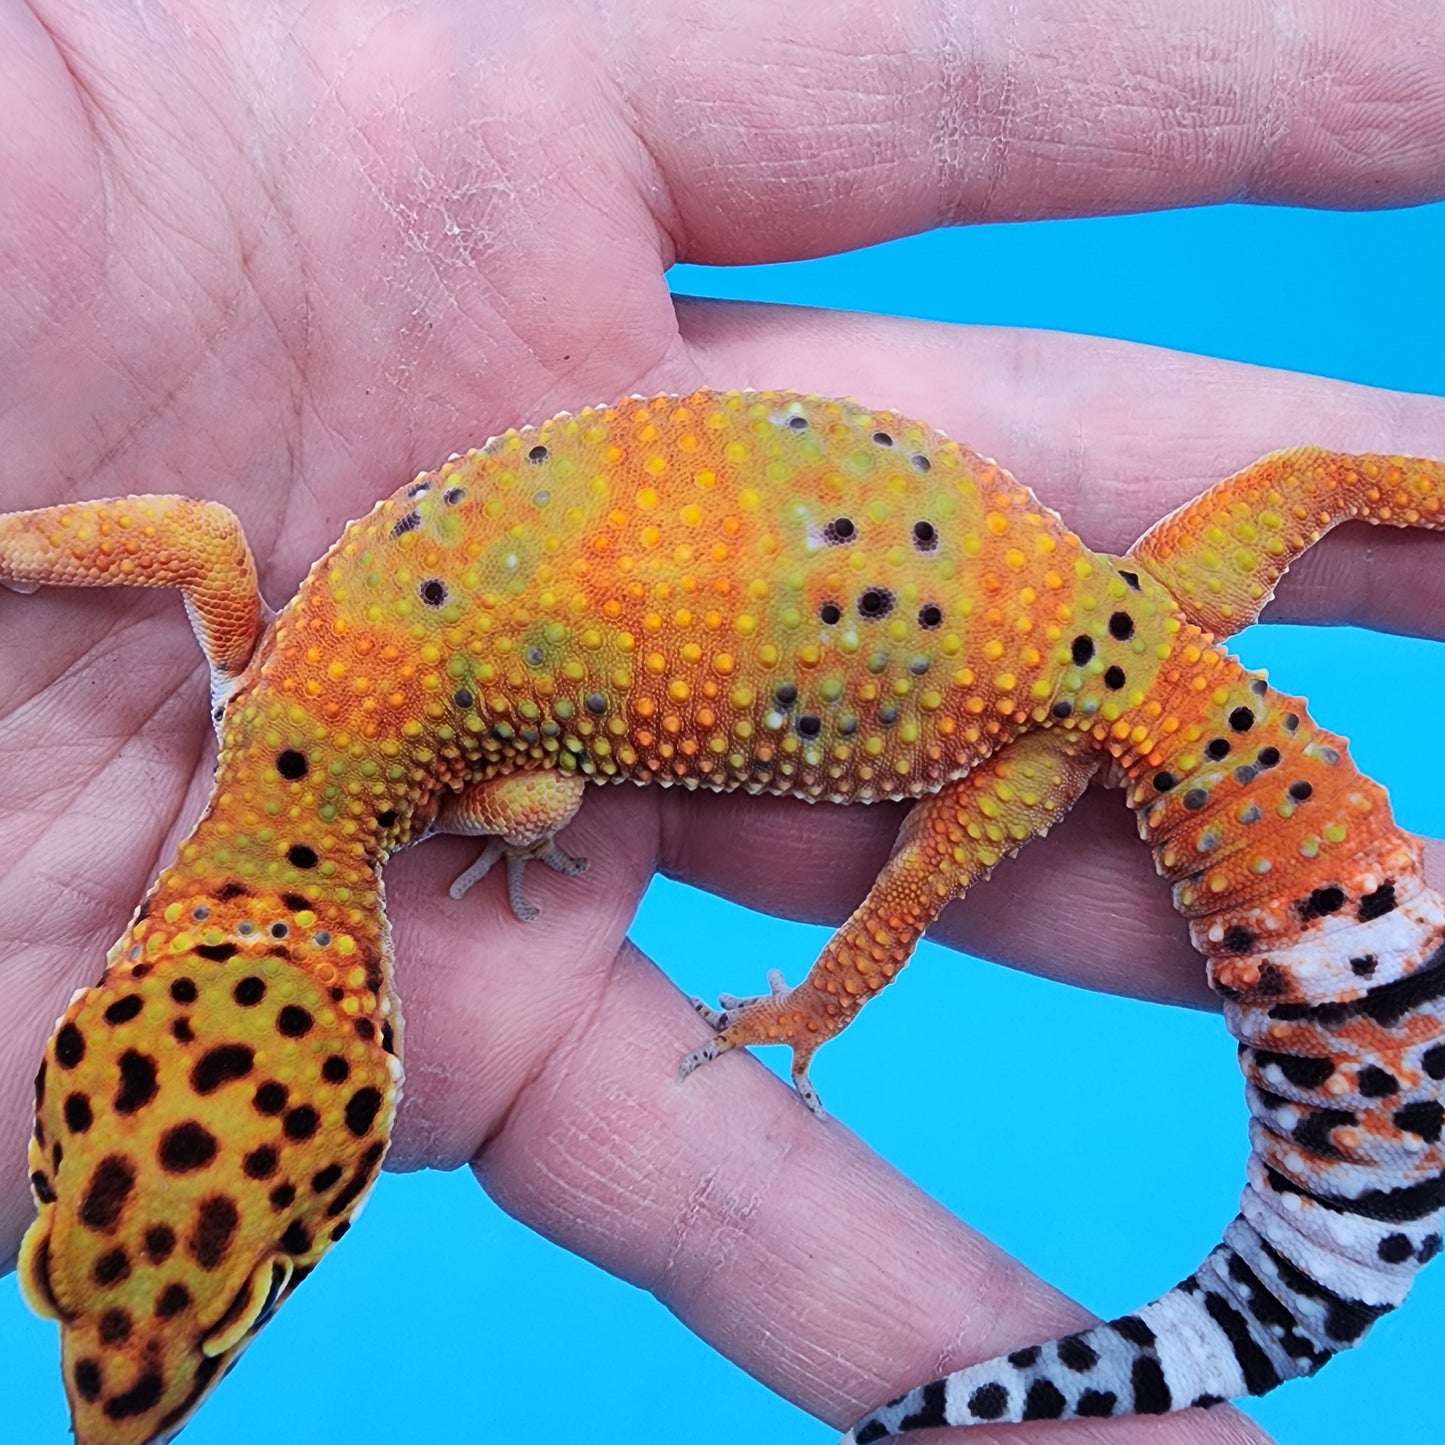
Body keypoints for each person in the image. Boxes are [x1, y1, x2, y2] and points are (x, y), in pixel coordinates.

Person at [1, 2, 1442, 1438]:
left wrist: (802, 994)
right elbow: (198, 542)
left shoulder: (414, 777)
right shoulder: (271, 676)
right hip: (1046, 609)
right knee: (1323, 480)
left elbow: (540, 804)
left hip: (1035, 688)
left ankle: (1169, 1211)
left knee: (916, 875)